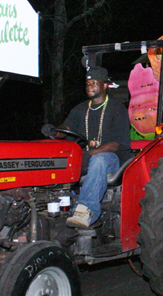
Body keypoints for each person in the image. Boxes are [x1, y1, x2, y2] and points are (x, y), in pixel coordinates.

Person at [42, 66, 132, 228]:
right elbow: (67, 129)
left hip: (115, 159)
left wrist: (89, 153)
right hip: (89, 156)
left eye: (94, 83)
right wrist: (54, 132)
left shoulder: (117, 109)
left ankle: (86, 211)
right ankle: (50, 205)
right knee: (56, 157)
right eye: (87, 83)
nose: (89, 86)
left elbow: (114, 144)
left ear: (105, 85)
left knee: (99, 159)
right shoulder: (80, 109)